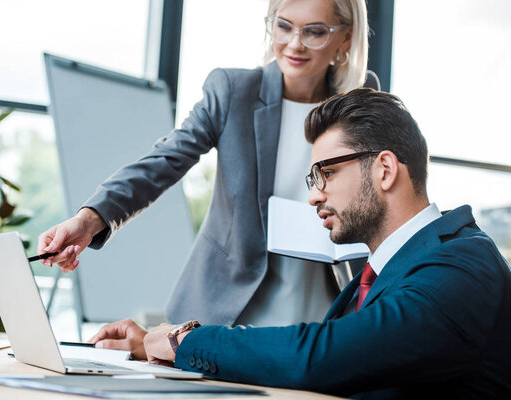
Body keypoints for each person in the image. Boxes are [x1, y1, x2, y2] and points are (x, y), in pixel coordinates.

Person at [89, 89, 511, 399]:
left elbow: (322, 357)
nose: (313, 194)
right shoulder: (370, 282)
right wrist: (151, 346)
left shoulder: (464, 264)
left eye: (325, 173)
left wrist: (185, 340)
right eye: (312, 179)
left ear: (384, 169)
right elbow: (306, 352)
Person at [38, 0, 378, 326]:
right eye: (284, 26)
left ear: (346, 37)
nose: (294, 44)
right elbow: (163, 162)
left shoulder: (362, 107)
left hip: (322, 302)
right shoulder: (235, 91)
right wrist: (89, 219)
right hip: (229, 305)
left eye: (315, 32)